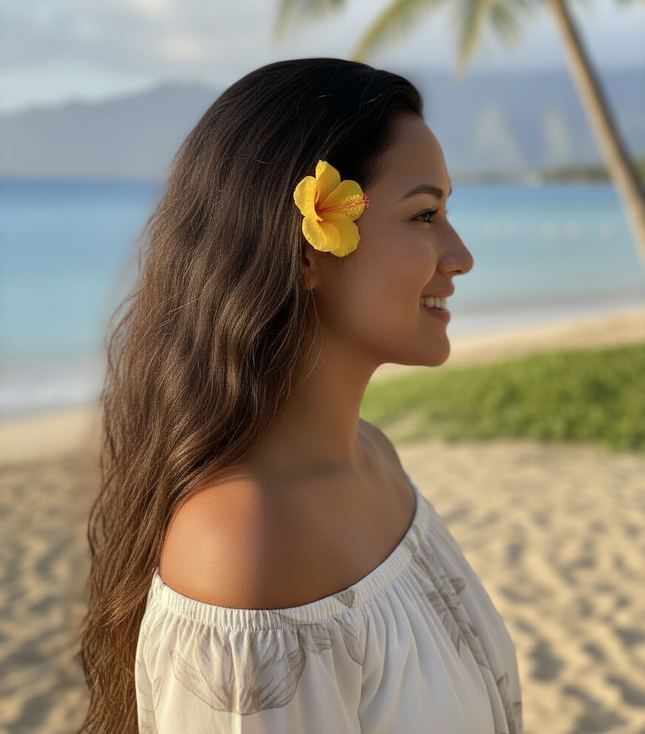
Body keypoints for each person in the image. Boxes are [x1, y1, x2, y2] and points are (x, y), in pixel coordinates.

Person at [80, 58, 522, 734]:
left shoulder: (373, 457)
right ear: (306, 246)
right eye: (424, 213)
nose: (458, 254)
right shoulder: (243, 544)